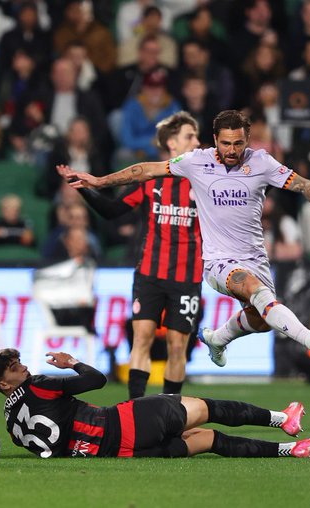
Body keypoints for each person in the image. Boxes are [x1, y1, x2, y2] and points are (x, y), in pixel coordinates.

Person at [61, 110, 310, 367]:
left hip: (256, 258)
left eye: (238, 143)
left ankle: (217, 339)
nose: (232, 150)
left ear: (247, 139)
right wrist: (99, 181)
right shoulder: (196, 161)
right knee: (255, 291)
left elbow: (305, 184)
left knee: (262, 320)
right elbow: (146, 170)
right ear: (215, 139)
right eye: (226, 143)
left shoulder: (262, 162)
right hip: (218, 262)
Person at [57, 111, 202, 399]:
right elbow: (112, 211)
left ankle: (171, 409)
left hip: (187, 277)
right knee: (141, 339)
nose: (197, 142)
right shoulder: (150, 181)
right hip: (149, 274)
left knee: (177, 346)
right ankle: (135, 408)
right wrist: (84, 189)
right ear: (172, 143)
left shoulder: (204, 182)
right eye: (190, 136)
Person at [0, 348, 310, 459]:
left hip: (122, 453)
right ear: (3, 384)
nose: (22, 367)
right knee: (207, 408)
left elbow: (48, 446)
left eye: (18, 362)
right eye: (13, 368)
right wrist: (72, 363)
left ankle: (292, 450)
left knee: (210, 440)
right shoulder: (40, 386)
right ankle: (282, 419)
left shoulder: (11, 426)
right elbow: (97, 380)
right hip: (125, 422)